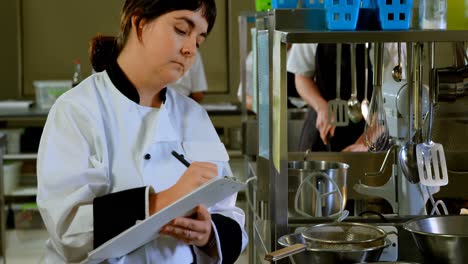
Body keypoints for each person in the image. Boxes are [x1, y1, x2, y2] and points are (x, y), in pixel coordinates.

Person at [37, 0, 247, 263]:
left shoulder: (194, 116)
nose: (190, 49)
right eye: (182, 30)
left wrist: (208, 235)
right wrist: (164, 200)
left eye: (199, 40)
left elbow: (228, 210)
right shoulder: (77, 110)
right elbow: (67, 231)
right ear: (139, 23)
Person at [287, 43, 405, 152]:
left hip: (375, 130)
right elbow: (302, 77)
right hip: (322, 128)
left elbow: (393, 96)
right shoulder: (314, 23)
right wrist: (321, 107)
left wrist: (367, 140)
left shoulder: (388, 31)